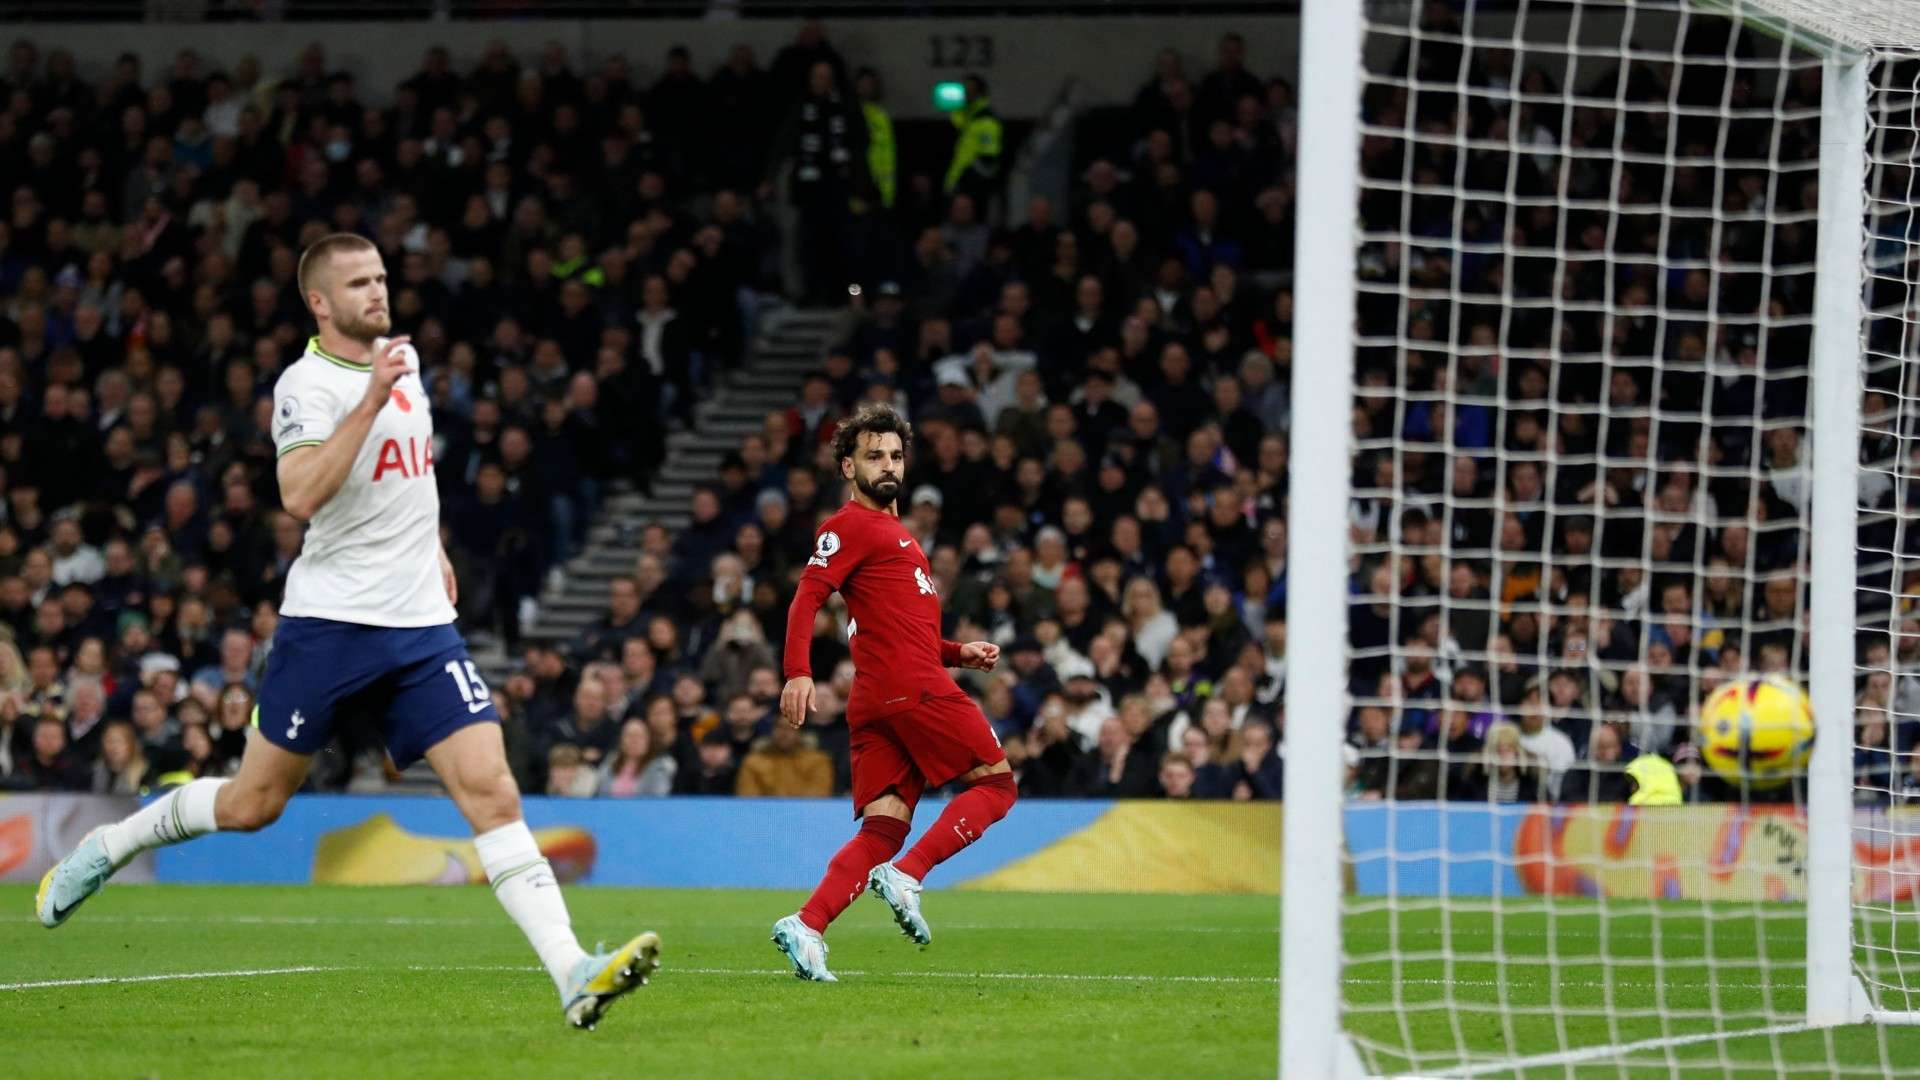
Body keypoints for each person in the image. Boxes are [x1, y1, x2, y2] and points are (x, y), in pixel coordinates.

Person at [35, 234, 659, 1031]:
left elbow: (413, 471)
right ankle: (109, 845)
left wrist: (432, 547)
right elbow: (299, 493)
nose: (377, 291)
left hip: (421, 630)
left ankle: (572, 972)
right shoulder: (306, 385)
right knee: (253, 803)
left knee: (494, 793)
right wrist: (368, 397)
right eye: (359, 283)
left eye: (381, 277)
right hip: (329, 626)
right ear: (320, 304)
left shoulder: (406, 362)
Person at [772, 402, 1014, 981]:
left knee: (884, 827)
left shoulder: (897, 538)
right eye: (873, 455)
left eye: (896, 455)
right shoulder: (849, 526)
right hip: (911, 690)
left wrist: (960, 654)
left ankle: (807, 926)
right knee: (998, 786)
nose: (888, 465)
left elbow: (908, 632)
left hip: (881, 697)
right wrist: (797, 670)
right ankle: (908, 876)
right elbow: (807, 597)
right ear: (848, 468)